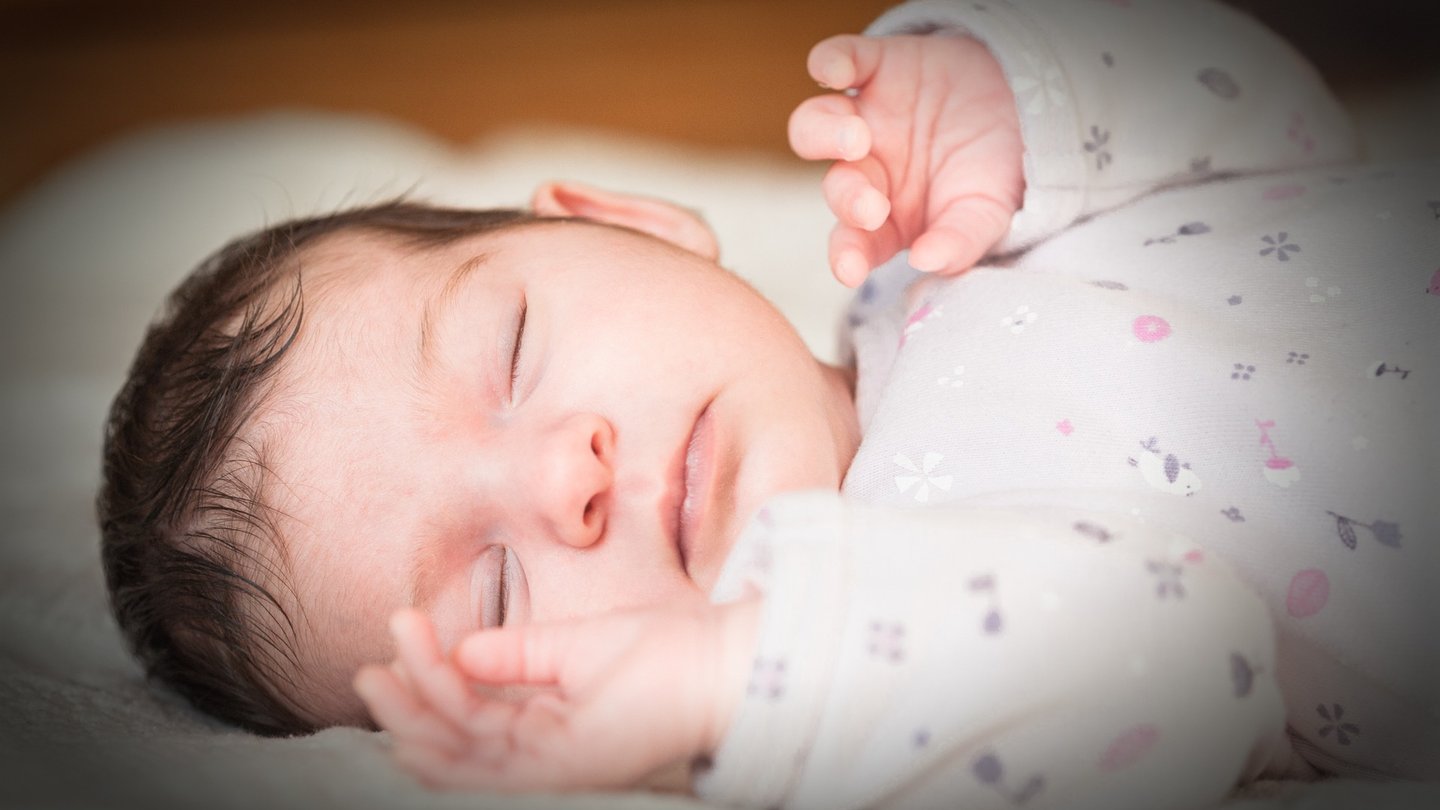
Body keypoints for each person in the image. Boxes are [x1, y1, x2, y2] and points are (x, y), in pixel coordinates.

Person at [98, 0, 1438, 807]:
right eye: (492, 596)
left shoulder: (937, 226)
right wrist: (740, 682)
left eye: (512, 348)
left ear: (631, 223)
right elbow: (1190, 646)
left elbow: (1282, 137)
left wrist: (1021, 97)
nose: (566, 476)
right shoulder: (879, 690)